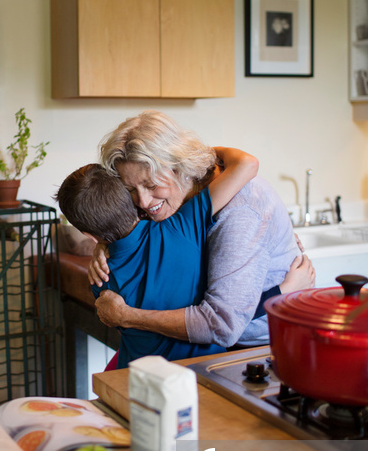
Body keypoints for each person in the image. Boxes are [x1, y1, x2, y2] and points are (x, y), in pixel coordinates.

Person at [89, 110, 315, 351]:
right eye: (130, 189)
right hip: (211, 339)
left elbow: (222, 324)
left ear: (179, 167)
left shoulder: (239, 212)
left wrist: (126, 316)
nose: (143, 202)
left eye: (152, 185)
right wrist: (104, 245)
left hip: (261, 345)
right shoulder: (175, 198)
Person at [56, 143, 258, 368]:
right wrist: (195, 152)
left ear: (89, 236)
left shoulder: (101, 280)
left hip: (137, 377)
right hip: (204, 374)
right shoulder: (185, 223)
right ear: (130, 200)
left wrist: (102, 245)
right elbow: (246, 164)